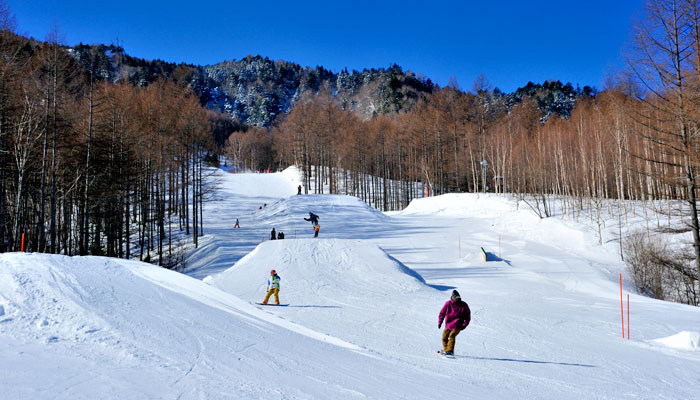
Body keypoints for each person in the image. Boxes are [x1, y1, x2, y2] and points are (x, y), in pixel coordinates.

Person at [438, 290, 471, 356]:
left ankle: (450, 351)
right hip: (448, 325)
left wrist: (464, 325)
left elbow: (468, 317)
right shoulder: (448, 303)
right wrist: (440, 322)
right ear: (452, 297)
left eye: (457, 296)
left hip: (458, 325)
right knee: (444, 337)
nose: (455, 298)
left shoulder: (464, 305)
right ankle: (446, 349)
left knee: (452, 336)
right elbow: (442, 313)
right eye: (454, 296)